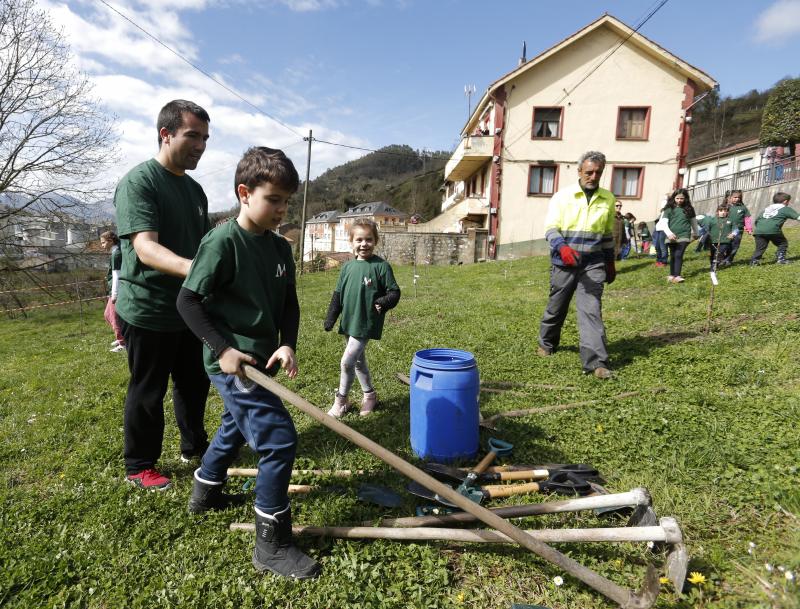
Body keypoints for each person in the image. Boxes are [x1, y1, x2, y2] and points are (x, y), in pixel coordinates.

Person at [176, 146, 320, 579]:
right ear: (244, 193)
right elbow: (188, 301)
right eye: (273, 199)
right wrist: (223, 350)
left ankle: (205, 491)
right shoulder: (221, 242)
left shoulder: (279, 249)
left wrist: (287, 343)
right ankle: (271, 544)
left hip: (263, 359)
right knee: (278, 440)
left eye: (286, 201)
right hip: (232, 362)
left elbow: (289, 304)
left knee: (234, 426)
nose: (281, 209)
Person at [114, 100, 212, 490]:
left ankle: (195, 447)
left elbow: (203, 244)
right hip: (148, 308)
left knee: (193, 383)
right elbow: (145, 249)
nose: (201, 145)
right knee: (148, 390)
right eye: (193, 136)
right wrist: (200, 270)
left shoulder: (196, 190)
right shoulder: (140, 182)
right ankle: (139, 465)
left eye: (205, 138)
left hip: (187, 307)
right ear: (165, 134)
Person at [537, 151, 616, 379]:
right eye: (589, 172)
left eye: (598, 172)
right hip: (564, 262)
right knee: (557, 306)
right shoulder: (562, 197)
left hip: (593, 265)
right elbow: (551, 228)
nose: (593, 176)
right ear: (579, 171)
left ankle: (596, 363)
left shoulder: (607, 199)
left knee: (591, 310)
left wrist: (610, 262)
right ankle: (547, 343)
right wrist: (562, 247)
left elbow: (607, 234)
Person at [324, 219, 401, 416]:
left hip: (366, 322)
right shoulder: (347, 267)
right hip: (349, 320)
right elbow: (338, 294)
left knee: (347, 361)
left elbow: (394, 292)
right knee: (358, 361)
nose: (364, 244)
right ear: (351, 241)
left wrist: (383, 302)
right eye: (359, 239)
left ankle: (341, 400)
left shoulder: (381, 266)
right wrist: (331, 317)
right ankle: (369, 395)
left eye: (368, 239)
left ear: (376, 241)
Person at [656, 188, 698, 283]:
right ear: (674, 198)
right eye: (677, 198)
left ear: (685, 198)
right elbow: (663, 223)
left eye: (682, 198)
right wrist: (669, 233)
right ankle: (672, 275)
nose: (679, 200)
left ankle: (677, 276)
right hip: (671, 235)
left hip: (684, 234)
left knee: (679, 254)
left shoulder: (689, 209)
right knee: (673, 255)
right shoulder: (668, 209)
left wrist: (696, 233)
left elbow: (693, 221)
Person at [750, 192, 798, 265]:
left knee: (760, 247)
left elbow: (757, 220)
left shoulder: (766, 209)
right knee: (782, 243)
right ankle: (781, 259)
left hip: (759, 231)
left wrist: (761, 228)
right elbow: (798, 217)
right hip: (773, 230)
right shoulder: (785, 209)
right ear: (785, 201)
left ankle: (754, 261)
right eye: (788, 201)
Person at [100, 231, 126, 353]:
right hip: (114, 291)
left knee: (113, 317)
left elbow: (117, 275)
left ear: (111, 241)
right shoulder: (116, 252)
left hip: (117, 292)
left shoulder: (116, 254)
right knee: (107, 314)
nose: (102, 245)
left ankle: (123, 343)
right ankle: (122, 337)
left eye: (103, 242)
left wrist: (115, 294)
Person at [698, 205, 737, 271]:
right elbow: (706, 229)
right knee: (713, 254)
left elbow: (736, 229)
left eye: (725, 211)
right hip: (713, 240)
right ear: (717, 212)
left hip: (725, 240)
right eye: (721, 211)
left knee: (719, 253)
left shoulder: (730, 220)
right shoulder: (712, 220)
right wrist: (699, 235)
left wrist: (733, 234)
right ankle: (714, 264)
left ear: (728, 212)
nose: (723, 212)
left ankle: (713, 267)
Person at [722, 190, 750, 265]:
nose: (737, 199)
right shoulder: (725, 207)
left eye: (739, 197)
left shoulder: (743, 208)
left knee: (735, 246)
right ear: (729, 198)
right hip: (726, 230)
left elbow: (747, 218)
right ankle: (722, 258)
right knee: (725, 245)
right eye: (735, 197)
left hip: (738, 231)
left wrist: (749, 228)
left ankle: (728, 260)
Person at [651, 193, 670, 268]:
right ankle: (658, 260)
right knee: (657, 246)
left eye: (665, 199)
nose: (663, 201)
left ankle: (663, 261)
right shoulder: (662, 212)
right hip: (658, 228)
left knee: (663, 246)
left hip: (664, 229)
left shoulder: (669, 209)